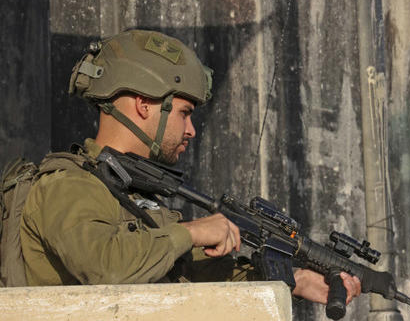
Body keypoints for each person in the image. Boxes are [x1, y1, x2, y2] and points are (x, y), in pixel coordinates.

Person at [19, 29, 361, 306]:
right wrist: (192, 232)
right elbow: (105, 265)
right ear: (143, 104)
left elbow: (190, 273)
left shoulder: (132, 195)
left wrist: (293, 279)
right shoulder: (67, 185)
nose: (191, 130)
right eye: (184, 113)